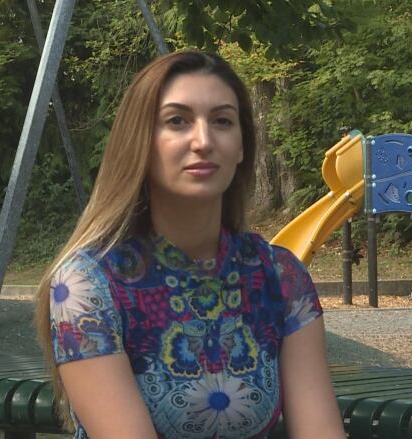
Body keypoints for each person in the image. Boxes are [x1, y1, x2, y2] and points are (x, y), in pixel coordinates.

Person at [34, 51, 345, 439]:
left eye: (222, 121)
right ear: (141, 142)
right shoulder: (88, 284)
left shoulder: (280, 278)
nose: (203, 141)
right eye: (177, 121)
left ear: (242, 146)